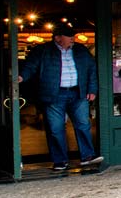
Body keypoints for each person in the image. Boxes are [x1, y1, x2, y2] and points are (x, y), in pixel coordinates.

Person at [18, 28, 101, 171]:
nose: (72, 39)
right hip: (54, 94)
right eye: (68, 36)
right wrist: (21, 77)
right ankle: (60, 161)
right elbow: (30, 66)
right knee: (55, 128)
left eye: (73, 36)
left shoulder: (80, 50)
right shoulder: (43, 50)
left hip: (78, 92)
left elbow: (91, 69)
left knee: (83, 124)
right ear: (57, 38)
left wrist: (92, 89)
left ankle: (87, 156)